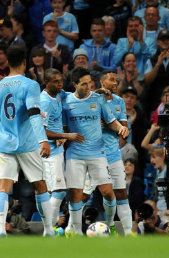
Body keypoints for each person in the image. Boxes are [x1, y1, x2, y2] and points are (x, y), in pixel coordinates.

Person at [62, 67, 129, 236]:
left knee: (108, 192)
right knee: (77, 194)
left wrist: (121, 128)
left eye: (89, 83)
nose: (88, 87)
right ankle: (74, 230)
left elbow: (111, 120)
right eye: (83, 84)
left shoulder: (99, 99)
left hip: (98, 154)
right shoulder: (66, 101)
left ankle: (110, 224)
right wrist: (62, 137)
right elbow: (61, 125)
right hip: (75, 154)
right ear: (75, 84)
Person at [0, 46, 54, 237]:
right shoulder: (30, 85)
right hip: (27, 143)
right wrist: (43, 140)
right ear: (25, 61)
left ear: (7, 61)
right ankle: (49, 231)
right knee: (40, 185)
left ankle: (0, 230)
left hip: (4, 143)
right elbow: (33, 114)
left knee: (3, 187)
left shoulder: (0, 85)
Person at [83, 70, 132, 235]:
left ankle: (127, 232)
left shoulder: (119, 101)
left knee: (121, 193)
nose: (116, 83)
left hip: (113, 155)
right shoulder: (90, 99)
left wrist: (116, 133)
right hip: (92, 154)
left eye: (117, 80)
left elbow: (125, 131)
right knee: (82, 194)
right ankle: (70, 228)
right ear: (102, 82)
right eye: (112, 80)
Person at [40, 68, 85, 227]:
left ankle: (52, 229)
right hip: (49, 152)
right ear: (46, 83)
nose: (60, 84)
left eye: (61, 80)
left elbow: (75, 95)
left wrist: (96, 92)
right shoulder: (44, 101)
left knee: (58, 191)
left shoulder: (59, 94)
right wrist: (65, 136)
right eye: (56, 81)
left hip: (59, 150)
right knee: (58, 191)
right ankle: (50, 228)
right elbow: (41, 130)